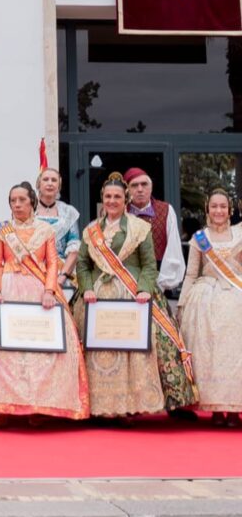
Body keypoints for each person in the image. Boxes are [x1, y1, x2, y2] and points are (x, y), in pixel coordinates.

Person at [0, 181, 89, 423]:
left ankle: (37, 406)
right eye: (13, 200)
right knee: (1, 352)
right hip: (7, 288)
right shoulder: (2, 230)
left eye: (22, 199)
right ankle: (2, 407)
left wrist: (49, 291)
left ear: (32, 202)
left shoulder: (45, 231)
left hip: (39, 289)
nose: (17, 204)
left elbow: (52, 263)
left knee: (38, 351)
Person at [76, 172, 195, 418]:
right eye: (107, 196)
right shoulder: (91, 230)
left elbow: (149, 265)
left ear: (125, 198)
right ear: (102, 198)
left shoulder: (140, 227)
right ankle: (99, 409)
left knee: (159, 341)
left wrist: (143, 289)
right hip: (97, 295)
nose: (112, 201)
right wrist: (86, 287)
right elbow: (83, 265)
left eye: (117, 196)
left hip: (133, 292)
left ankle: (135, 406)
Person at [179, 188, 242, 426]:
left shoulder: (240, 234)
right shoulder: (199, 238)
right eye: (214, 206)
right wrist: (182, 304)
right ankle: (215, 409)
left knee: (236, 356)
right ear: (207, 209)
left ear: (230, 210)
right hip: (206, 300)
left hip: (236, 299)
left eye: (223, 207)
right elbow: (191, 274)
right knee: (210, 356)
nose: (218, 210)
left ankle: (235, 409)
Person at [124, 167, 185, 295]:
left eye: (144, 184)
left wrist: (161, 284)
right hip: (125, 282)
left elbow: (173, 249)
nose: (140, 189)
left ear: (151, 188)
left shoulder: (166, 210)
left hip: (159, 282)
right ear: (127, 190)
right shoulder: (121, 213)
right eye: (134, 185)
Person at [35, 168, 80, 285]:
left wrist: (63, 276)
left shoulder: (69, 212)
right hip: (33, 272)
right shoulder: (29, 210)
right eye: (45, 179)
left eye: (54, 180)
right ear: (38, 185)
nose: (50, 183)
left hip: (61, 274)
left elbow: (74, 249)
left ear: (59, 187)